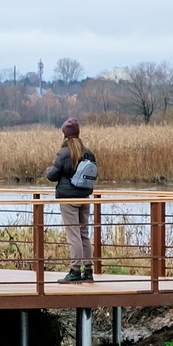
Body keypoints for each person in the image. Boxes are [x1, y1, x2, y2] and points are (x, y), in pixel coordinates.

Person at [43, 119, 98, 282]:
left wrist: (48, 170)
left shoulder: (64, 153)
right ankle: (88, 271)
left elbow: (52, 175)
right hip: (85, 198)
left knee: (73, 234)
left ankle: (75, 270)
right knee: (83, 234)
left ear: (65, 135)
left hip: (68, 198)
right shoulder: (88, 152)